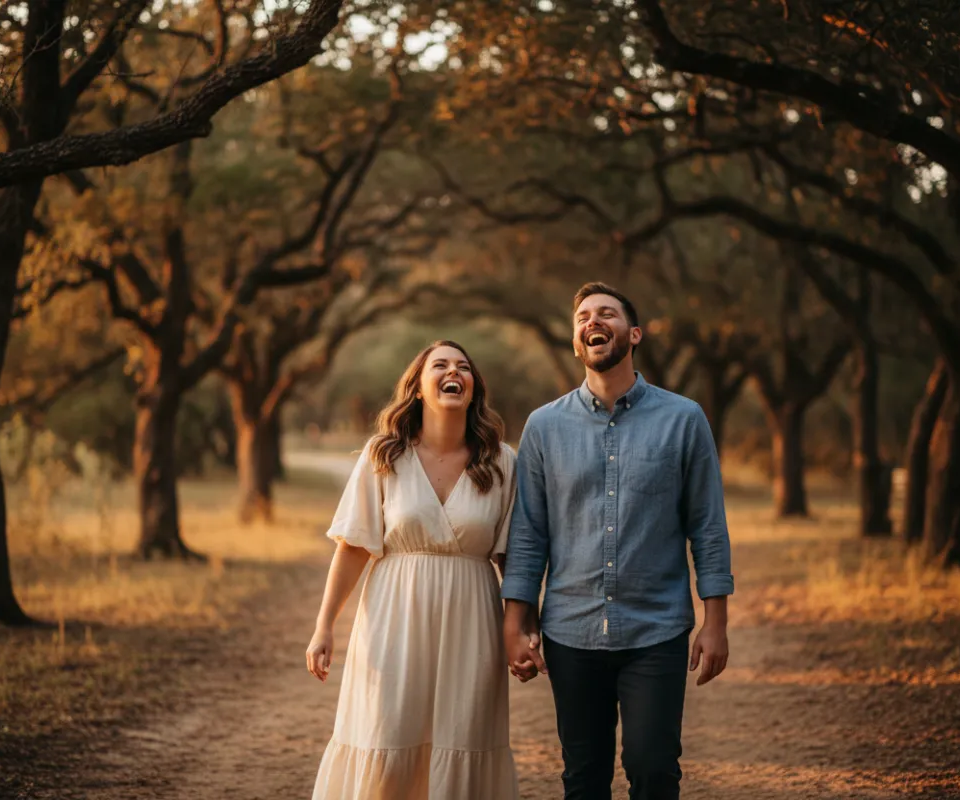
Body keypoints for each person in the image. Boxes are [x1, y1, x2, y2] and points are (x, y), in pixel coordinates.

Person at [502, 282, 735, 800]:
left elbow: (707, 526)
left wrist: (715, 622)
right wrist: (515, 625)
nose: (593, 321)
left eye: (607, 313)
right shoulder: (543, 427)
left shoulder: (684, 419)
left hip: (657, 629)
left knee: (653, 769)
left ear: (634, 334)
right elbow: (529, 534)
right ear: (576, 342)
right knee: (583, 778)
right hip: (571, 631)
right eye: (583, 316)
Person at [306, 340, 520, 800]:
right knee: (387, 728)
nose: (454, 372)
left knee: (464, 733)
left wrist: (522, 629)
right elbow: (353, 547)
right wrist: (324, 627)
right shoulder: (384, 455)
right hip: (393, 617)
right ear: (418, 387)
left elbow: (511, 558)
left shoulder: (501, 461)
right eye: (440, 365)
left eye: (463, 367)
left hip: (471, 621)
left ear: (473, 387)